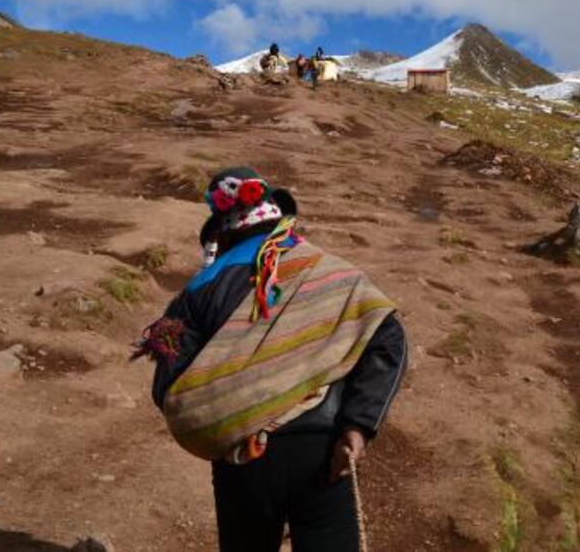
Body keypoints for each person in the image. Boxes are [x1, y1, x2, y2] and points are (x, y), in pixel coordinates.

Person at [135, 167, 407, 552]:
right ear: (278, 217)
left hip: (242, 457)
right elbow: (389, 337)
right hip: (323, 450)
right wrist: (359, 424)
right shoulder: (328, 271)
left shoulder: (198, 292)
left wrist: (224, 411)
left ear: (223, 233)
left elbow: (169, 384)